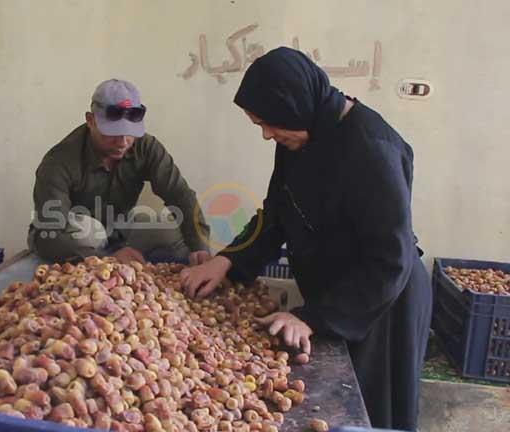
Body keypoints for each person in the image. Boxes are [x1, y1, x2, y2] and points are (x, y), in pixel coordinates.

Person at [180, 48, 432, 431]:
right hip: (337, 291)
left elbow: (389, 260)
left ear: (294, 106)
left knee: (372, 405)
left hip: (382, 302)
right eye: (258, 124)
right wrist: (227, 260)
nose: (267, 134)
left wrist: (315, 318)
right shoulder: (299, 138)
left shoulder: (372, 149)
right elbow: (278, 212)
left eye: (268, 122)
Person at [28, 79, 211, 265]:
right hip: (73, 236)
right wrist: (106, 259)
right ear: (90, 121)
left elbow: (180, 196)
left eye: (129, 132)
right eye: (113, 133)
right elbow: (48, 236)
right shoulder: (59, 161)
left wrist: (201, 248)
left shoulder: (146, 147)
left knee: (175, 232)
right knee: (91, 233)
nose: (123, 142)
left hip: (120, 228)